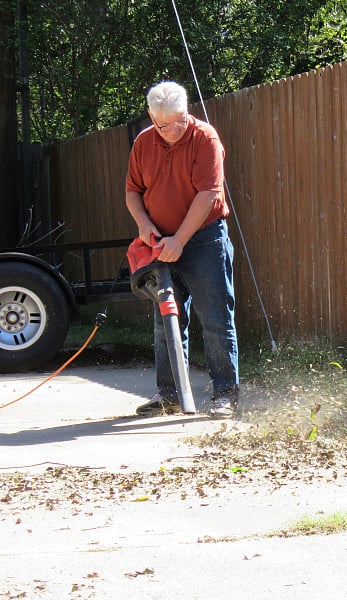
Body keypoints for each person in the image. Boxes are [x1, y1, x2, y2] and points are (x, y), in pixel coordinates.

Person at [125, 81, 239, 418]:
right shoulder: (143, 143)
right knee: (167, 321)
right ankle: (170, 396)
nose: (174, 130)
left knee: (216, 318)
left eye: (180, 120)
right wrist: (145, 227)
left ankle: (225, 396)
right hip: (160, 240)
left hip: (204, 238)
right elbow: (133, 191)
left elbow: (208, 195)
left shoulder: (205, 138)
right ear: (151, 117)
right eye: (165, 124)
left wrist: (180, 240)